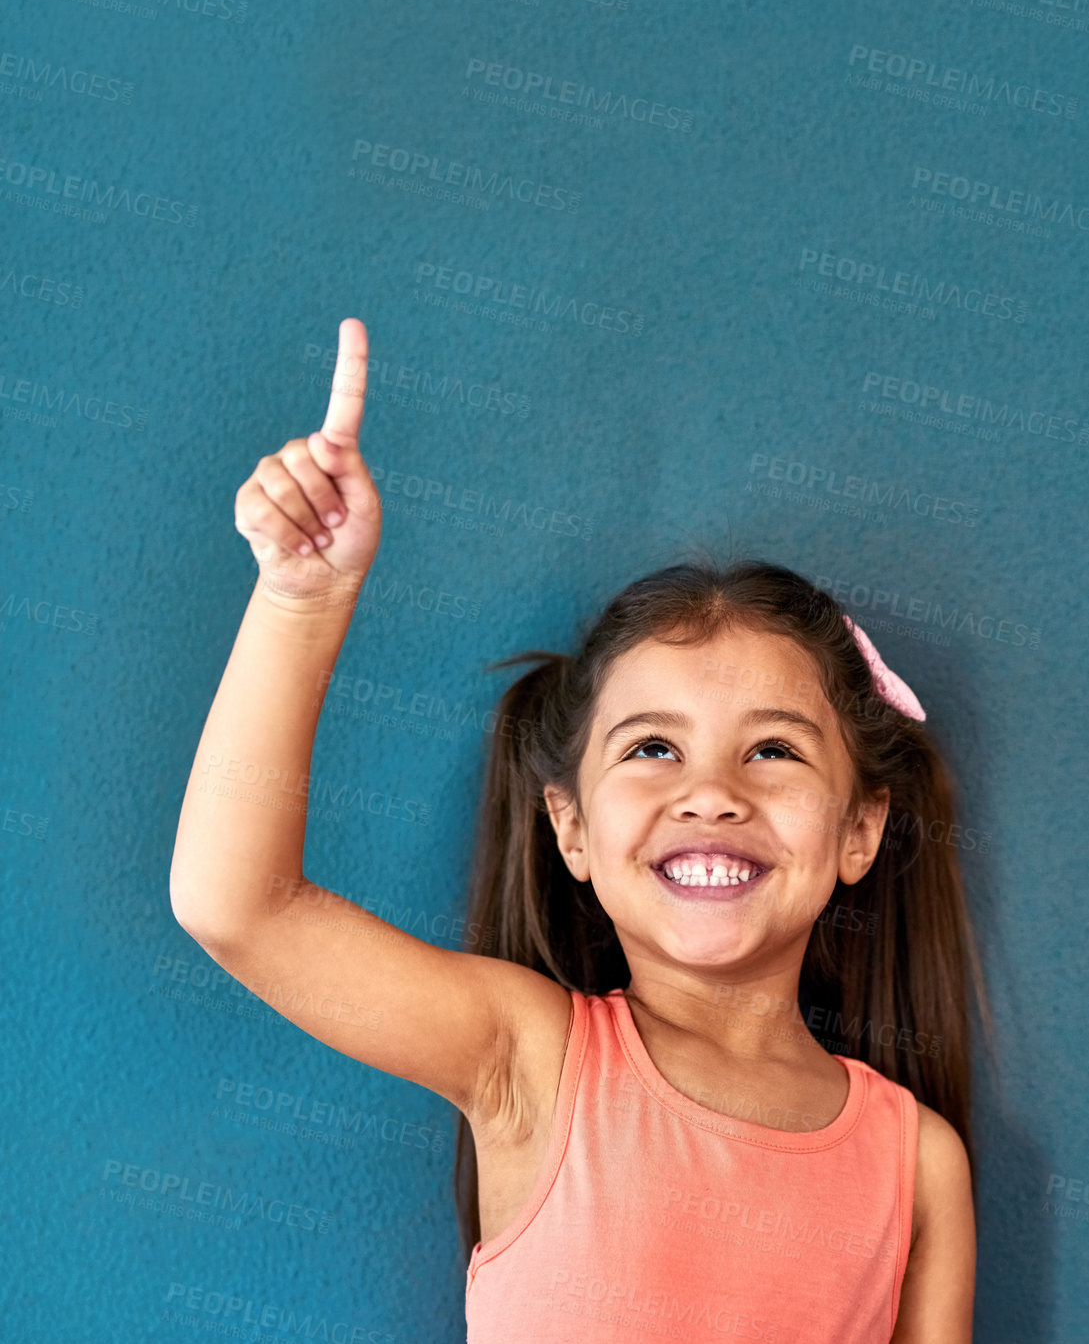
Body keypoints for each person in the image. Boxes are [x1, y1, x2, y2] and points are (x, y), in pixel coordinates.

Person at [170, 318, 990, 1343]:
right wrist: (303, 600)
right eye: (652, 749)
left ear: (860, 828)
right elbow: (236, 903)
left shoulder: (917, 1164)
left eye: (772, 751)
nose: (709, 793)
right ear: (570, 828)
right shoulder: (529, 1054)